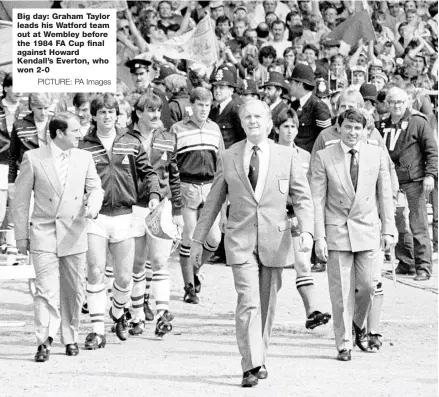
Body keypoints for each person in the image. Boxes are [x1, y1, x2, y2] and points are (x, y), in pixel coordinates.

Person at [190, 99, 314, 387]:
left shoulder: (287, 156)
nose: (252, 121)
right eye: (247, 117)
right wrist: (198, 239)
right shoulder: (230, 155)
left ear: (269, 122)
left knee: (267, 304)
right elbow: (213, 201)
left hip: (276, 239)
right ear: (242, 122)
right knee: (247, 301)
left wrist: (307, 231)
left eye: (258, 116)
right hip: (240, 240)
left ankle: (261, 355)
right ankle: (250, 364)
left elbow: (303, 198)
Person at [11, 112, 104, 362]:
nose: (80, 134)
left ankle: (70, 336)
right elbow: (20, 201)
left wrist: (93, 206)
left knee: (73, 290)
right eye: (75, 131)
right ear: (59, 133)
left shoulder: (84, 158)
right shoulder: (33, 158)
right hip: (43, 232)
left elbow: (96, 187)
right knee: (45, 290)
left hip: (74, 232)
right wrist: (21, 237)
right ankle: (44, 340)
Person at [311, 109, 395, 362]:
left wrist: (389, 229)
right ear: (339, 128)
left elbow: (385, 195)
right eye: (348, 127)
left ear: (365, 131)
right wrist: (319, 236)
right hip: (337, 230)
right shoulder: (325, 157)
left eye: (358, 128)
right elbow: (317, 199)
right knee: (340, 292)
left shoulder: (377, 155)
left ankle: (358, 324)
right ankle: (344, 343)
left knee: (369, 286)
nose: (352, 133)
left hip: (368, 229)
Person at [80, 94, 160, 349]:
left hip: (126, 215)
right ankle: (96, 331)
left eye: (111, 112)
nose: (107, 117)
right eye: (102, 112)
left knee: (125, 279)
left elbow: (149, 172)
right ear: (94, 116)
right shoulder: (83, 147)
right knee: (95, 271)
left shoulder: (131, 142)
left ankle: (117, 313)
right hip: (96, 217)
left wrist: (155, 195)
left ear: (118, 115)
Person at [128, 93, 184, 337]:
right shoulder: (125, 138)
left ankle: (162, 314)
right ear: (138, 113)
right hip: (133, 206)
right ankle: (137, 316)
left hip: (161, 205)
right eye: (149, 110)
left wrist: (179, 210)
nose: (154, 115)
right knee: (138, 263)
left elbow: (174, 173)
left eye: (157, 110)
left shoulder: (167, 137)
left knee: (160, 261)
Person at [275, 108, 331, 330]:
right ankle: (259, 306)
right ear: (277, 129)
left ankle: (312, 311)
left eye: (293, 127)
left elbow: (307, 191)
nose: (290, 131)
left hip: (297, 215)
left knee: (302, 263)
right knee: (272, 268)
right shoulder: (269, 152)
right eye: (285, 126)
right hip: (274, 216)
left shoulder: (305, 156)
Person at [377, 87, 438, 281]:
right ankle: (406, 262)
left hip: (415, 180)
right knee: (397, 222)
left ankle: (424, 267)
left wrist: (430, 175)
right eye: (393, 102)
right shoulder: (382, 125)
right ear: (387, 104)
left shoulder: (418, 122)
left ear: (407, 103)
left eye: (400, 102)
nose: (396, 106)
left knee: (417, 223)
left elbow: (432, 150)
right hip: (392, 181)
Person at [171, 87, 224, 304]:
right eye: (200, 105)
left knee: (213, 239)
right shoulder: (178, 129)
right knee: (189, 235)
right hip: (187, 185)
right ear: (191, 106)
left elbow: (221, 160)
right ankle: (189, 287)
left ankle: (194, 270)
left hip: (210, 186)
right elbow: (171, 162)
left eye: (207, 105)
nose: (204, 109)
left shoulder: (214, 129)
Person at [289, 64, 332, 154]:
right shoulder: (295, 104)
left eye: (292, 82)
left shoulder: (318, 107)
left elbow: (325, 138)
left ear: (300, 84)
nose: (289, 86)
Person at [125, 59, 172, 130]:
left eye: (141, 74)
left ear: (147, 74)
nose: (138, 78)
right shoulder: (130, 96)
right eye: (135, 74)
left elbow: (165, 121)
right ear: (131, 76)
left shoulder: (156, 94)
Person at [261, 71, 290, 142]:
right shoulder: (264, 107)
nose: (265, 91)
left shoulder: (285, 110)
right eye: (265, 88)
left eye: (269, 88)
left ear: (279, 91)